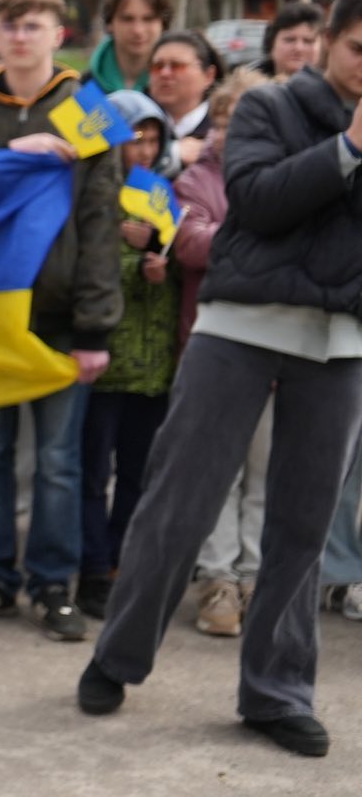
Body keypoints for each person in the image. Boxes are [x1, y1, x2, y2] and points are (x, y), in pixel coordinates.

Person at [79, 0, 362, 758]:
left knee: (302, 526)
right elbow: (260, 202)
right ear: (331, 38)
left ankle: (276, 691)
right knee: (178, 503)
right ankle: (118, 656)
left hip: (340, 345)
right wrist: (347, 149)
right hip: (236, 328)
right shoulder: (270, 107)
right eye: (359, 49)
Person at [0, 0, 122, 642]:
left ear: (57, 33)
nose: (19, 36)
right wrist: (5, 161)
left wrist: (98, 325)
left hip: (63, 319)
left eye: (33, 24)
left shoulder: (89, 110)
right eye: (9, 25)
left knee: (60, 461)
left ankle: (52, 585)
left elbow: (102, 221)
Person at [76, 90, 181, 619]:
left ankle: (124, 562)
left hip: (154, 370)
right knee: (92, 473)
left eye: (153, 138)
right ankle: (93, 566)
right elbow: (86, 274)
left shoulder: (167, 199)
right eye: (133, 138)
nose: (142, 150)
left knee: (139, 475)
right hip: (104, 367)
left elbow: (185, 279)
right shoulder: (96, 201)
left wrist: (163, 260)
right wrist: (123, 252)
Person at [176, 68, 271, 637]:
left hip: (284, 353)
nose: (235, 130)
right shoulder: (197, 178)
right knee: (221, 474)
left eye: (250, 119)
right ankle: (217, 579)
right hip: (214, 349)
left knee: (266, 473)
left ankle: (255, 573)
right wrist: (265, 236)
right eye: (226, 119)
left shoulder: (291, 176)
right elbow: (190, 243)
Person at [146, 29, 225, 167]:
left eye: (176, 66)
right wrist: (173, 153)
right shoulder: (134, 121)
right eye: (158, 66)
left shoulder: (225, 126)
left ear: (208, 76)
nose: (164, 73)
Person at [89, 0, 172, 93]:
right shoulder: (82, 88)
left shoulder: (177, 91)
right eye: (127, 19)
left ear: (163, 24)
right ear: (109, 23)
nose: (138, 30)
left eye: (148, 19)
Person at [258, 0, 325, 79]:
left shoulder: (336, 89)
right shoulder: (246, 87)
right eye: (289, 40)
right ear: (271, 44)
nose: (298, 48)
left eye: (308, 41)